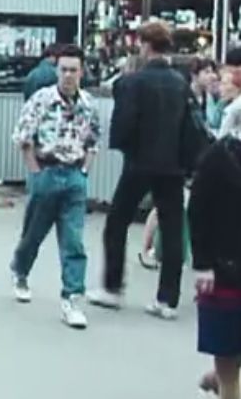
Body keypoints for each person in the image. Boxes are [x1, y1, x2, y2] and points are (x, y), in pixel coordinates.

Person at [88, 21, 190, 320]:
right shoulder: (180, 82)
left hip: (139, 162)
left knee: (117, 222)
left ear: (145, 45)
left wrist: (127, 148)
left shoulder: (133, 82)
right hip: (173, 164)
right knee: (172, 229)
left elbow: (123, 125)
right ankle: (167, 299)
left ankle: (112, 288)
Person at [10, 44, 101, 329]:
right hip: (46, 171)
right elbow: (23, 137)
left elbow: (93, 141)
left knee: (73, 240)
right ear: (56, 70)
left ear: (82, 72)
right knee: (33, 234)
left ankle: (72, 297)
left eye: (73, 70)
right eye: (63, 70)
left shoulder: (88, 105)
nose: (68, 75)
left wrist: (85, 169)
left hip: (74, 176)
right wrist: (35, 172)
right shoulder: (41, 100)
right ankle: (20, 270)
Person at [139, 56, 218, 270]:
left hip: (197, 157)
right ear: (195, 74)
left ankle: (169, 250)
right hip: (181, 157)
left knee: (180, 204)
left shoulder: (207, 98)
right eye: (207, 72)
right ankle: (147, 248)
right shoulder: (186, 94)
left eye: (213, 72)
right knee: (164, 205)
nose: (212, 76)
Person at [190, 101, 241, 399]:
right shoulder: (218, 158)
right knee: (227, 352)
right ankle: (224, 380)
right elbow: (197, 211)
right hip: (225, 270)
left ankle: (221, 378)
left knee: (231, 358)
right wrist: (203, 263)